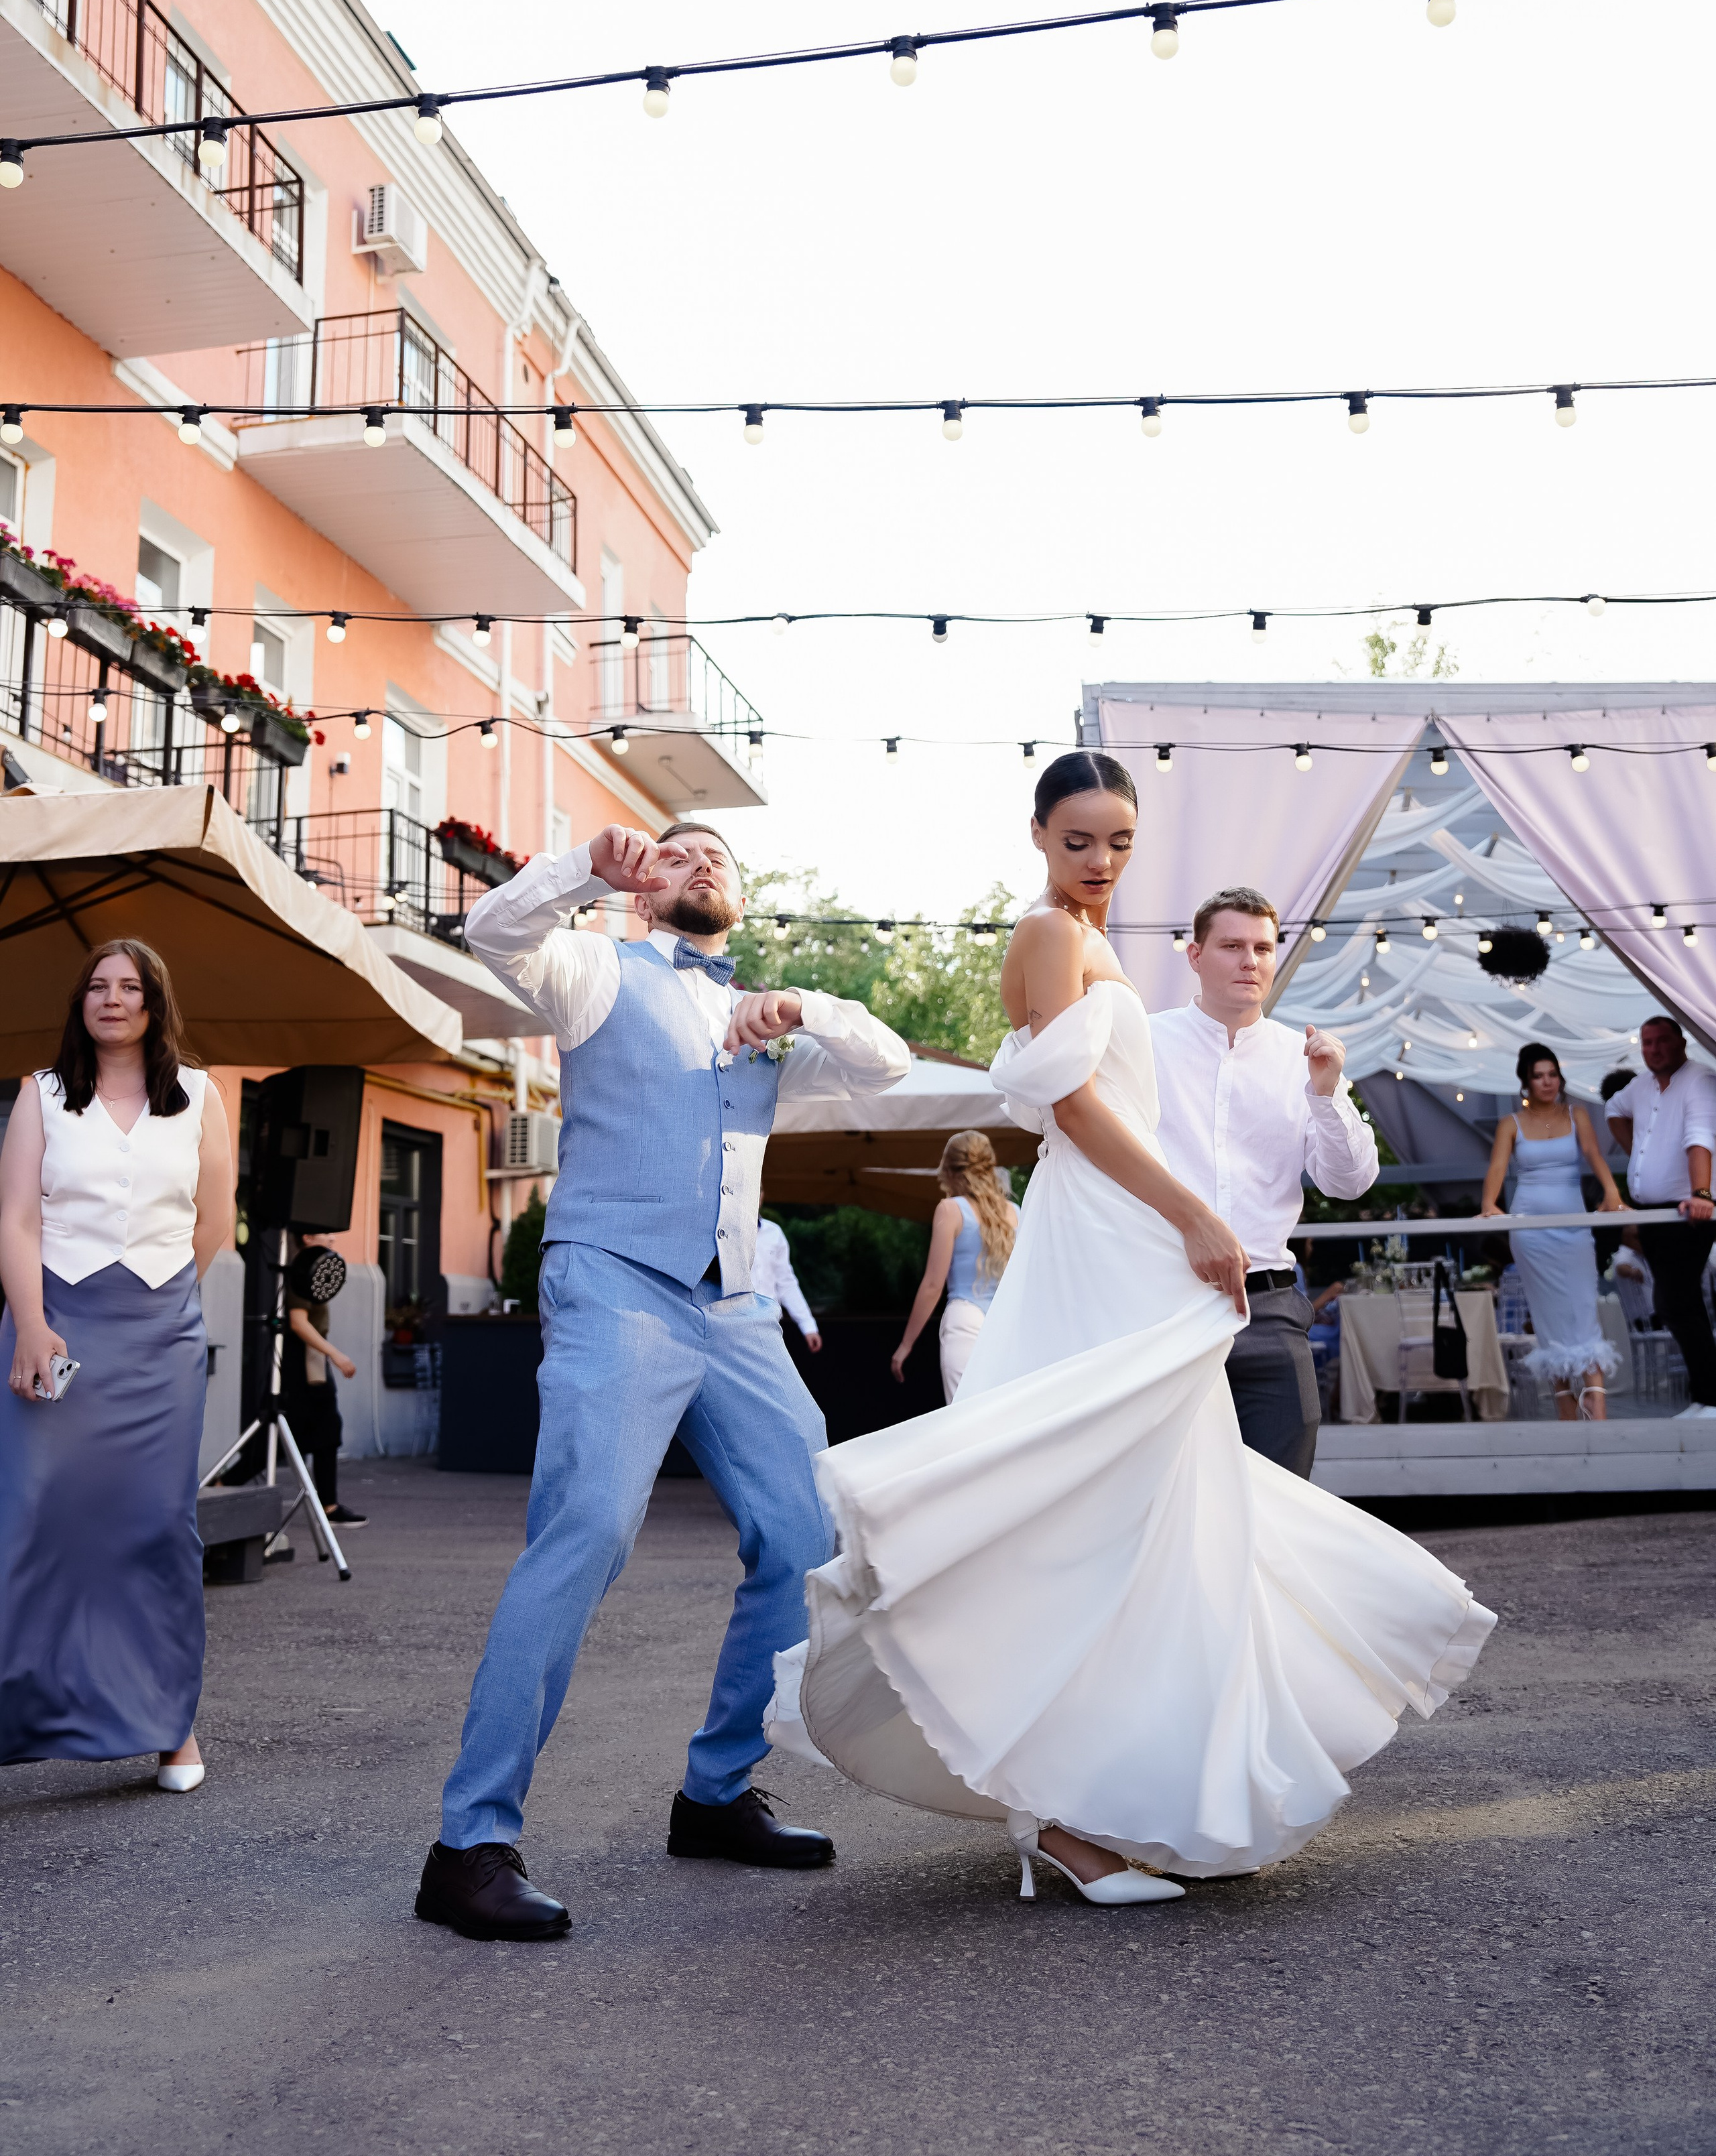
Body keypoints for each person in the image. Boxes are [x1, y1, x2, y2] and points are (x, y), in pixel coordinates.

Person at [769, 754, 1495, 1908]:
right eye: (1079, 842)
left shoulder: (1089, 942)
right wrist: (1196, 1216)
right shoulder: (1052, 935)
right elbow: (1073, 1112)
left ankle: (1099, 1801)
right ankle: (1071, 1817)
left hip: (1121, 1236)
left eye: (1119, 842)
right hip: (1110, 1238)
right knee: (1109, 1508)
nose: (1101, 863)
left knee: (1146, 1515)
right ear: (1039, 838)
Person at [416, 821, 910, 1941]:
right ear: (645, 889)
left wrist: (805, 1011)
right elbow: (494, 926)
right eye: (676, 852)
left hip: (733, 1302)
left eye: (716, 856)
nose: (698, 864)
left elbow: (890, 1062)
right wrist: (588, 864)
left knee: (805, 1532)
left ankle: (718, 1794)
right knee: (586, 1532)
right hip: (616, 1281)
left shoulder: (772, 1017)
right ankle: (470, 1843)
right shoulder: (597, 966)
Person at [0, 939, 234, 1791]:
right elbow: (18, 1221)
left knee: (156, 1527)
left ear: (154, 1003)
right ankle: (20, 1714)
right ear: (81, 1002)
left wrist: (166, 1302)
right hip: (53, 1325)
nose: (112, 998)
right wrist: (31, 1321)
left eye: (130, 986)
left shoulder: (202, 1095)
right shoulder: (41, 1094)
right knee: (34, 1520)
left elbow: (215, 1217)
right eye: (97, 985)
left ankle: (172, 1726)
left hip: (160, 1337)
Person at [1150, 887, 1378, 1477]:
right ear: (1195, 955)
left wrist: (1326, 1096)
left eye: (1262, 947)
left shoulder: (1302, 1059)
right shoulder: (1145, 1044)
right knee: (1173, 1494)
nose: (1250, 960)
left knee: (1284, 1491)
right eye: (1231, 946)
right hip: (1162, 1303)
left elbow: (1349, 1183)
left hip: (1269, 1308)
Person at [1479, 1043, 1623, 1419]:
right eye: (1539, 1075)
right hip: (1530, 1231)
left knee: (1582, 1306)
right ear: (1526, 1082)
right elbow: (1497, 1167)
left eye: (1552, 1074)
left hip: (1574, 1227)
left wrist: (1612, 1193)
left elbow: (1594, 1155)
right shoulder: (1510, 1122)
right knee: (1547, 1315)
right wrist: (1490, 1206)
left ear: (1560, 1078)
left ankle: (1595, 1395)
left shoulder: (1578, 1115)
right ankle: (1565, 1406)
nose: (1547, 1082)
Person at [1605, 1018, 1716, 1417]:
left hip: (1687, 1211)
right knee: (1674, 1303)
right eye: (1646, 1043)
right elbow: (1612, 1109)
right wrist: (1641, 1152)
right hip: (1653, 1213)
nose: (1652, 1049)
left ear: (1681, 1043)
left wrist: (1702, 1193)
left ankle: (1711, 1397)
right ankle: (1705, 1396)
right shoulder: (1640, 1086)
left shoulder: (1699, 1079)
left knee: (1677, 1299)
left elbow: (1701, 1135)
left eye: (1661, 1042)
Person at [890, 1131, 1022, 1401]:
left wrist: (905, 1345)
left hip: (966, 1318)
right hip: (1007, 1322)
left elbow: (932, 1285)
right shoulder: (1014, 1212)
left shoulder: (950, 1210)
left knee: (964, 1420)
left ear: (948, 1168)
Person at [282, 1241, 367, 1526]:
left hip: (313, 1359)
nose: (332, 1239)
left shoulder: (312, 1265)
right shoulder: (302, 1269)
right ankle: (328, 1507)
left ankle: (329, 1506)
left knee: (322, 1430)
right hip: (306, 1361)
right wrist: (337, 1355)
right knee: (306, 1429)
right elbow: (298, 1322)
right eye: (325, 1233)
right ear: (305, 1236)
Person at [753, 1216, 822, 1352]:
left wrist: (808, 1325)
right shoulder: (722, 1231)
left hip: (769, 1326)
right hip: (732, 1325)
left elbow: (786, 1283)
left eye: (759, 1193)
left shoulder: (774, 1232)